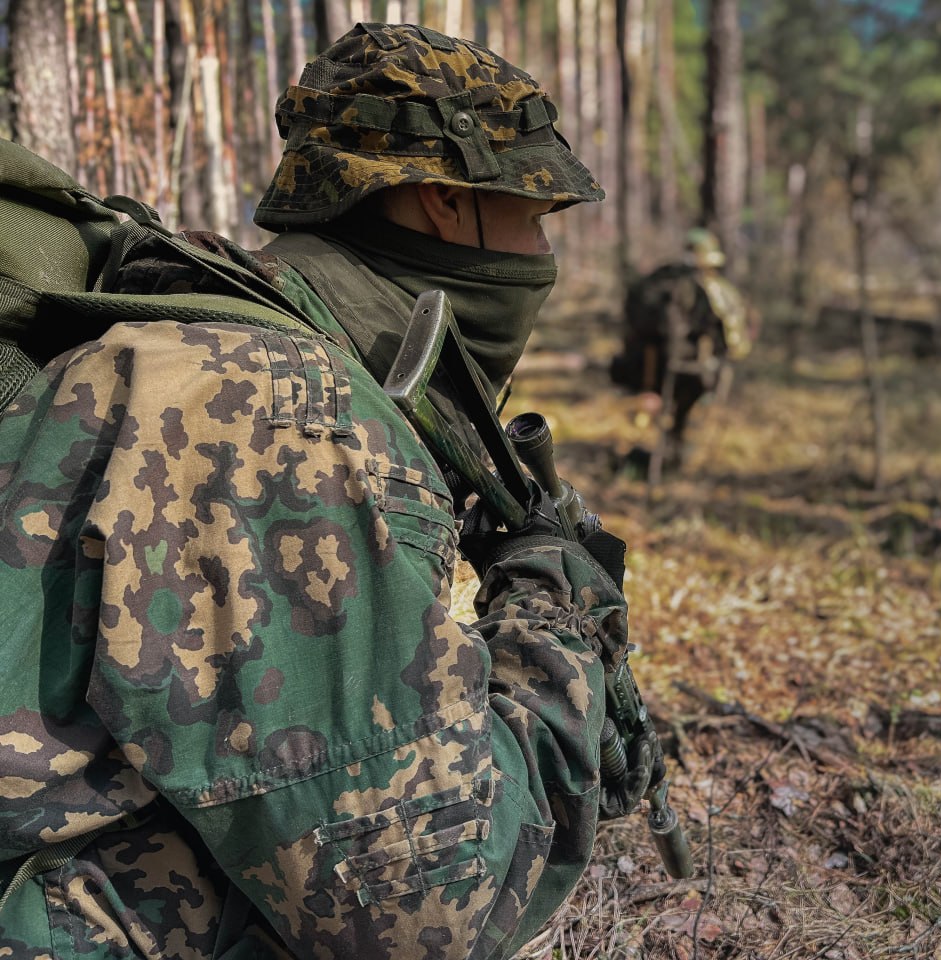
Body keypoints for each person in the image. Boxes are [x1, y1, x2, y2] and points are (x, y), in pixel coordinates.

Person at [0, 23, 629, 959]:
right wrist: (553, 620)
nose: (543, 253)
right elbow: (419, 912)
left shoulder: (194, 337)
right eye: (536, 214)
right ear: (444, 203)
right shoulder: (267, 403)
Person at [610, 228, 753, 475]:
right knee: (678, 415)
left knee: (674, 417)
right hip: (685, 370)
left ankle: (668, 458)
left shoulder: (663, 281)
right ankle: (665, 460)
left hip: (659, 368)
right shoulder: (706, 289)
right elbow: (733, 339)